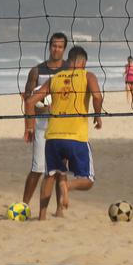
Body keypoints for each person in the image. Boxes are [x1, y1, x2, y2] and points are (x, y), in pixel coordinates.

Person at [25, 45, 103, 220]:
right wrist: (97, 116)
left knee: (50, 176)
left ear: (69, 61)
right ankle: (68, 186)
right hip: (76, 136)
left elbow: (30, 102)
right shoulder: (88, 75)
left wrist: (30, 126)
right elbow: (98, 96)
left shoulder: (55, 78)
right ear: (83, 62)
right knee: (88, 180)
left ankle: (42, 217)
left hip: (53, 137)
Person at [20, 32, 68, 215]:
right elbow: (28, 99)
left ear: (64, 49)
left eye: (60, 46)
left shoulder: (69, 70)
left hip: (62, 124)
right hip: (41, 124)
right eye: (54, 45)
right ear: (49, 47)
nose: (56, 49)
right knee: (38, 167)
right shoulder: (37, 70)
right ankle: (24, 206)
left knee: (59, 169)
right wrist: (28, 127)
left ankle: (59, 210)